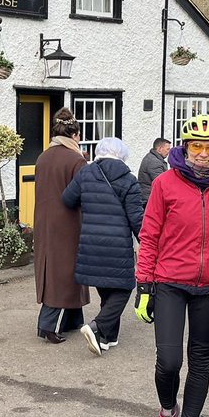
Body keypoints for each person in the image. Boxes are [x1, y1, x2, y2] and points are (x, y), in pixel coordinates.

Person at [135, 114, 209, 417]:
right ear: (185, 146)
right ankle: (167, 411)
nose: (203, 154)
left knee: (200, 361)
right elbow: (149, 235)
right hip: (169, 283)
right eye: (197, 146)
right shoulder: (166, 183)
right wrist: (144, 284)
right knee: (169, 361)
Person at [61, 137, 145, 356]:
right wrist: (148, 243)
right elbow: (136, 217)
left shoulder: (86, 173)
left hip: (91, 243)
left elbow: (68, 199)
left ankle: (107, 338)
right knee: (125, 287)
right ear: (122, 154)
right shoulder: (128, 179)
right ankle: (97, 326)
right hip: (117, 245)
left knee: (108, 290)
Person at [34, 107, 89, 343]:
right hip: (68, 222)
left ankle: (73, 319)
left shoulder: (43, 156)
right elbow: (82, 194)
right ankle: (47, 325)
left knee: (58, 268)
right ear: (74, 134)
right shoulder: (76, 159)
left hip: (44, 219)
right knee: (65, 271)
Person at [137, 138, 170, 202]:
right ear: (160, 149)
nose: (169, 152)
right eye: (167, 149)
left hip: (148, 196)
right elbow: (162, 183)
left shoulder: (152, 157)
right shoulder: (154, 162)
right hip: (149, 198)